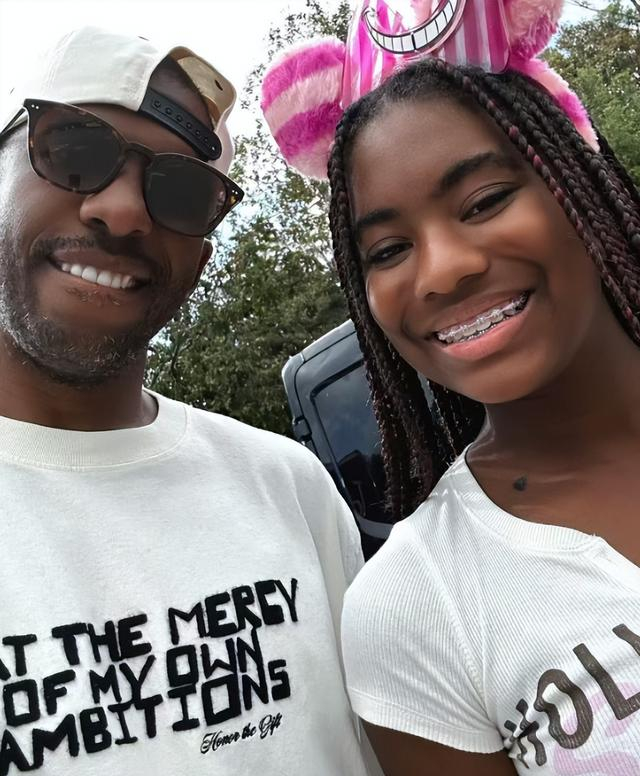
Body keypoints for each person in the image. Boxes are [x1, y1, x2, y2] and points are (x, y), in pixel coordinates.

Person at [262, 0, 640, 772]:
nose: (442, 271)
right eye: (388, 249)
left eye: (485, 201)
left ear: (578, 172)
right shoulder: (413, 605)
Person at [0, 26, 378, 776]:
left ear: (201, 256)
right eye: (73, 151)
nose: (122, 211)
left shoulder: (289, 487)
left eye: (180, 192)